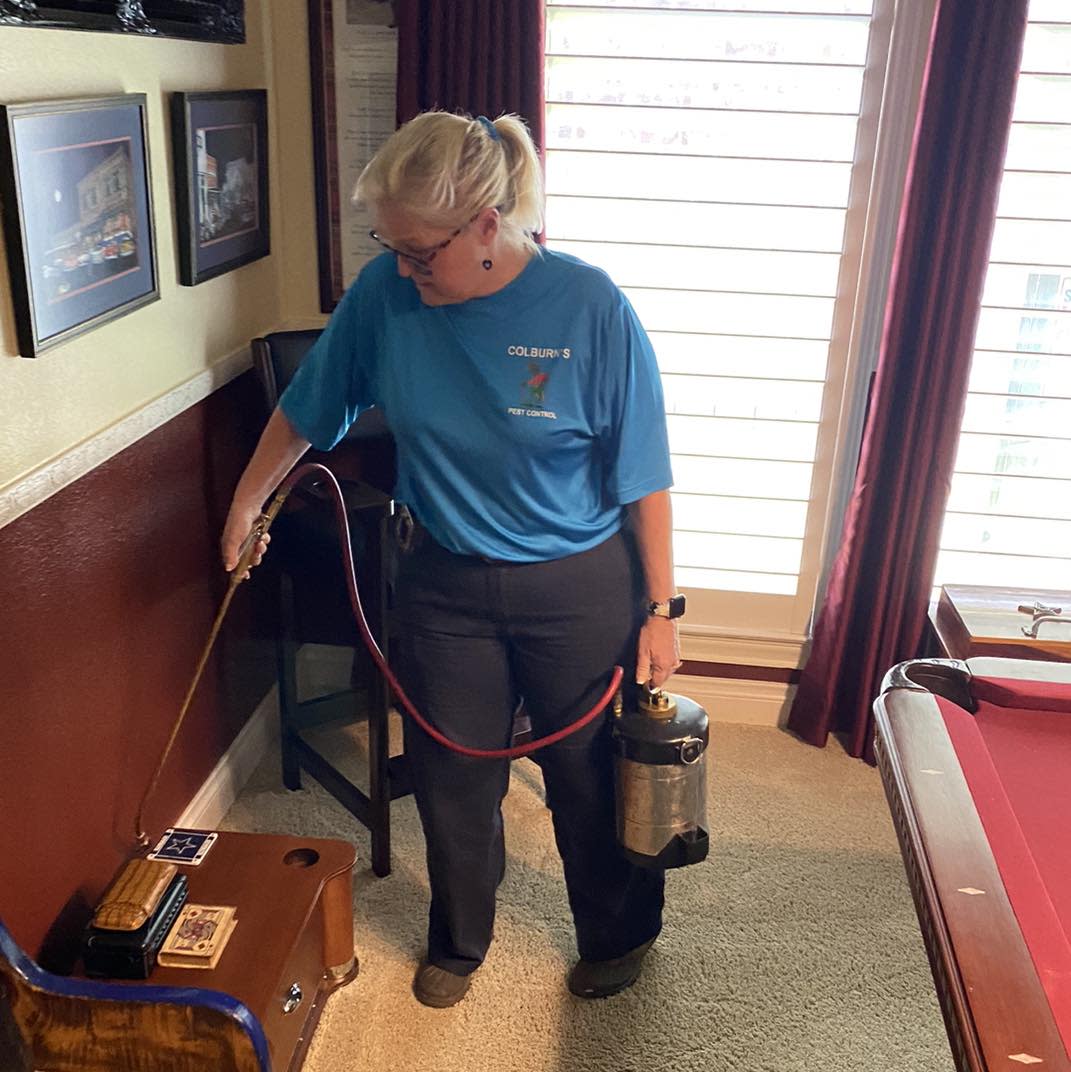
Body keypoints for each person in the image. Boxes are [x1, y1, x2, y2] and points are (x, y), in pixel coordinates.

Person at [221, 111, 683, 1008]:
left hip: (577, 584)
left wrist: (659, 613)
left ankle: (617, 933)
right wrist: (247, 499)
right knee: (452, 776)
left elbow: (644, 478)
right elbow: (312, 408)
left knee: (586, 776)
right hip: (441, 580)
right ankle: (460, 939)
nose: (402, 266)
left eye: (419, 250)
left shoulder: (589, 306)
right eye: (387, 245)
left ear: (485, 225)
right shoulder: (384, 298)